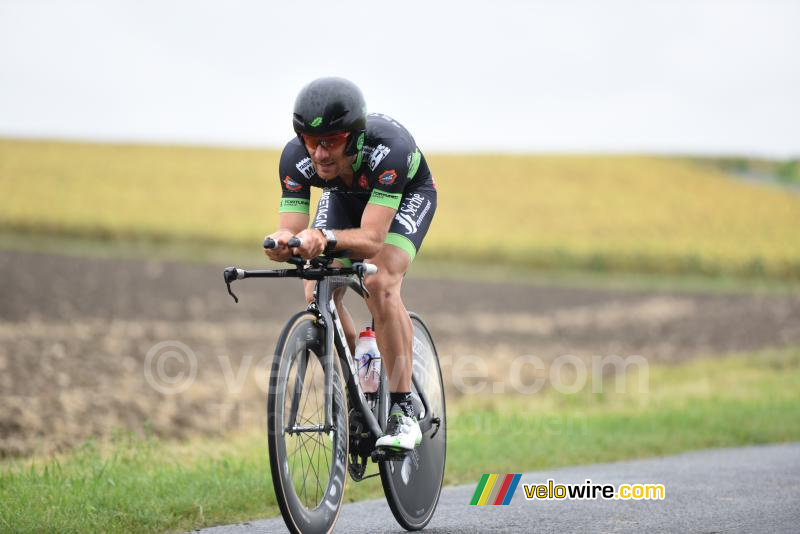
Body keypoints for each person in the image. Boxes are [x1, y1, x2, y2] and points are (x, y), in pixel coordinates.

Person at [264, 77, 437, 451]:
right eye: (312, 142)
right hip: (344, 195)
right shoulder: (296, 158)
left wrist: (323, 239)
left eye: (331, 142)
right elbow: (291, 230)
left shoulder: (388, 151)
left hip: (403, 197)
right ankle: (363, 374)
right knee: (314, 285)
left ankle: (404, 409)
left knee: (379, 281)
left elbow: (372, 240)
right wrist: (282, 243)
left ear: (354, 138)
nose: (320, 154)